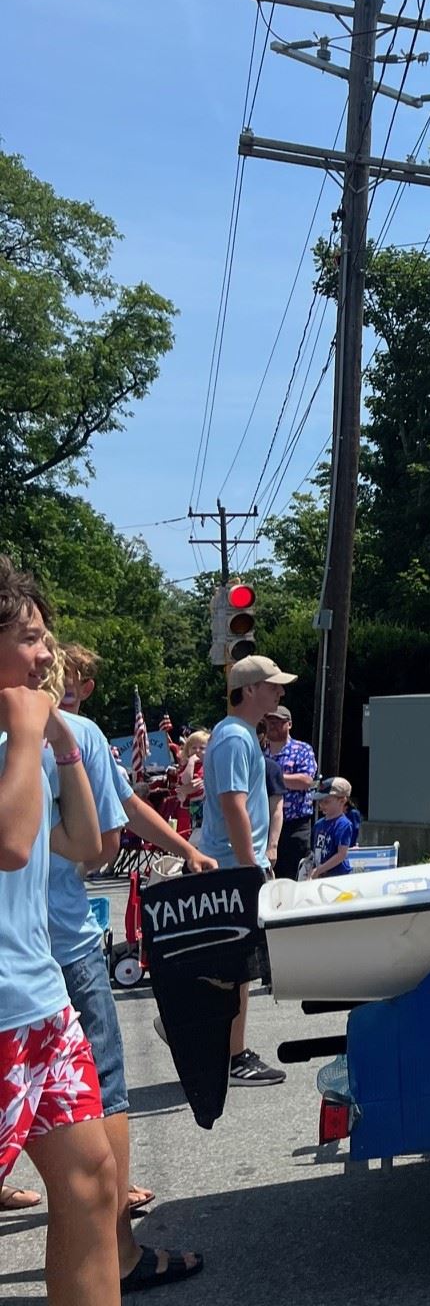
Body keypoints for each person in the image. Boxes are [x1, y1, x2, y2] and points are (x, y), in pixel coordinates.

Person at [44, 639, 205, 1290]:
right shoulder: (72, 737)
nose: (80, 688)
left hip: (21, 951)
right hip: (62, 944)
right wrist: (185, 853)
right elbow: (104, 841)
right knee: (98, 1095)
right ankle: (119, 1250)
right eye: (75, 676)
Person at [0, 556, 120, 1304]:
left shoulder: (32, 737)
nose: (49, 655)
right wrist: (24, 738)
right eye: (31, 638)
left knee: (93, 1185)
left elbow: (88, 844)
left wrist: (61, 746)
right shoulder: (15, 739)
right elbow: (11, 844)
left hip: (41, 1003)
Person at [202, 653, 297, 1087]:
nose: (280, 691)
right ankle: (233, 1056)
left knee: (232, 966)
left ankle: (198, 1028)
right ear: (250, 690)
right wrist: (249, 867)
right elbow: (234, 805)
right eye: (273, 684)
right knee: (238, 968)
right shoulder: (235, 738)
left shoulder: (236, 734)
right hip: (234, 867)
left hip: (232, 864)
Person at [263, 705, 317, 882]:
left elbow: (305, 781)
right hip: (266, 824)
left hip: (295, 825)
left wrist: (274, 777)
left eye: (278, 722)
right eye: (270, 722)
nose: (273, 726)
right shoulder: (260, 753)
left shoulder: (302, 750)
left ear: (289, 724)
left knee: (294, 875)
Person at [309, 779, 358, 879]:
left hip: (338, 877)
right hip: (320, 875)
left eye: (326, 801)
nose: (321, 805)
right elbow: (314, 850)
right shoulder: (318, 824)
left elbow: (341, 855)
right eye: (320, 801)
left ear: (342, 801)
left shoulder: (343, 824)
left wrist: (319, 869)